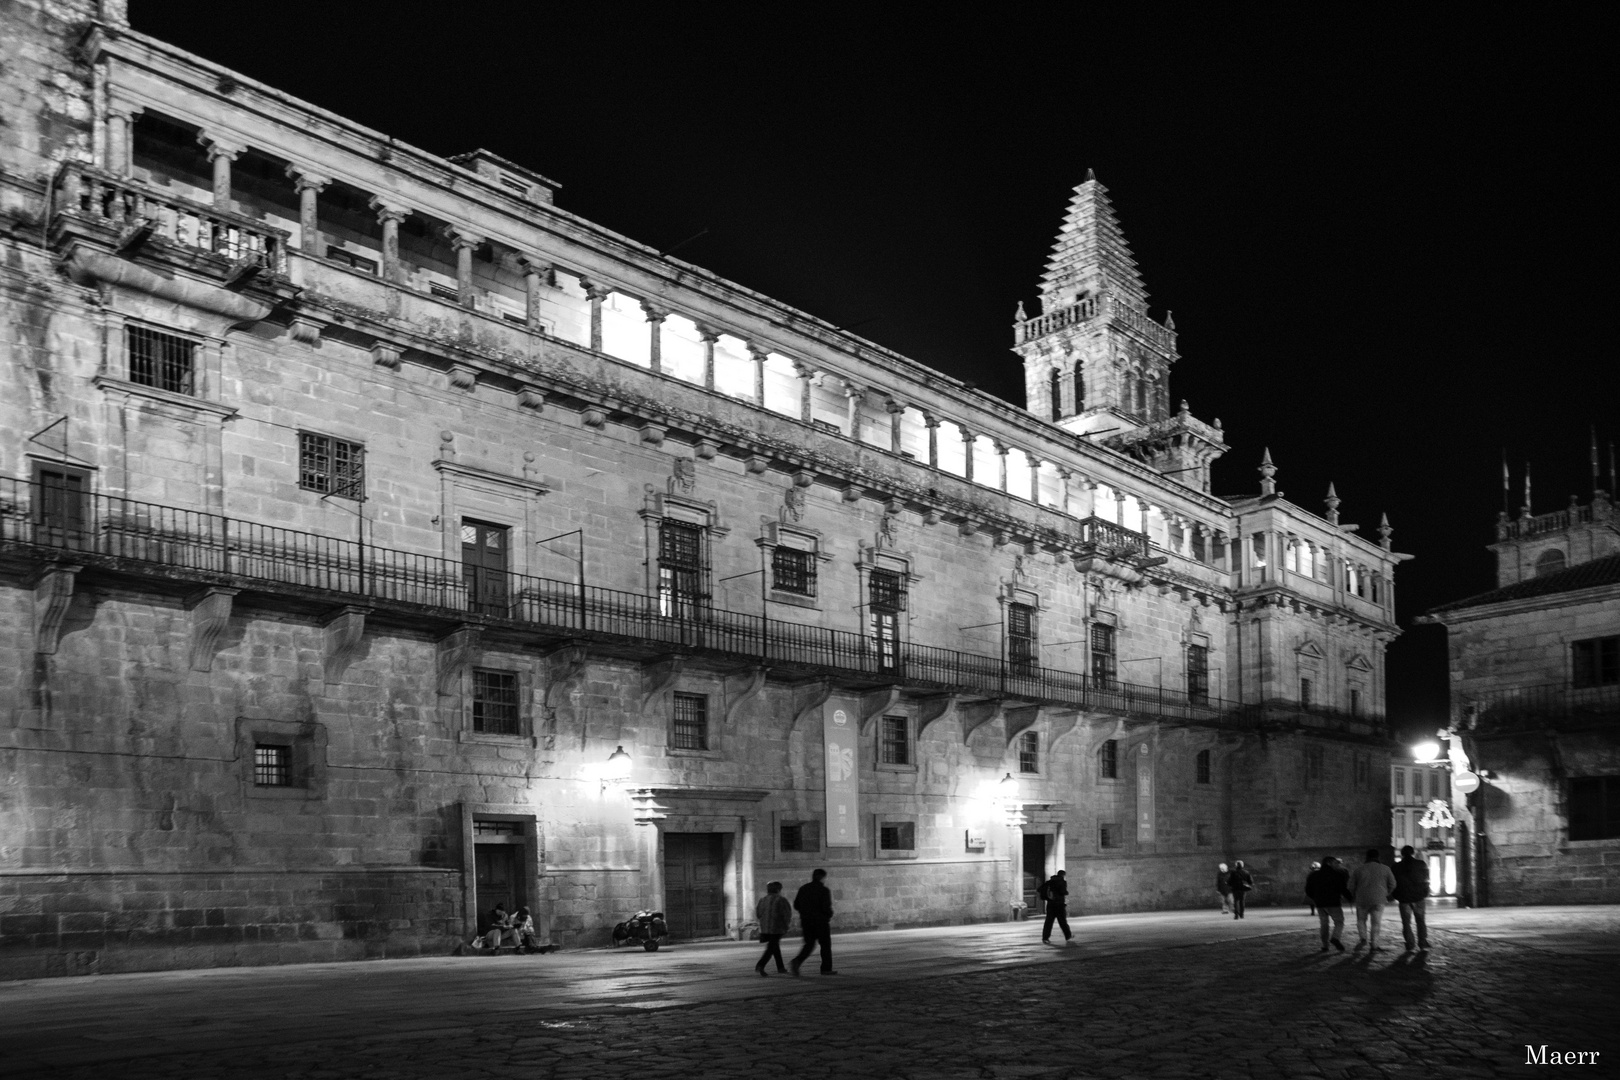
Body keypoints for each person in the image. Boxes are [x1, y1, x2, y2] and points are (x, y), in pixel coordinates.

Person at [1346, 847, 1397, 953]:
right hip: (1379, 899)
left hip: (1362, 899)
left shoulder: (1359, 869)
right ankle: (1374, 944)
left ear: (1367, 857)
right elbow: (1393, 884)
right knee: (1376, 923)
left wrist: (1354, 894)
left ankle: (1363, 938)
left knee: (1361, 920)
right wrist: (1386, 894)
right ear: (1378, 857)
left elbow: (1350, 886)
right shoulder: (1385, 868)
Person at [789, 868, 836, 976]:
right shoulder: (823, 890)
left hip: (806, 921)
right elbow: (826, 907)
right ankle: (826, 968)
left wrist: (804, 912)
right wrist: (828, 915)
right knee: (825, 945)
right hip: (820, 921)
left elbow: (796, 905)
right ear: (822, 877)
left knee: (809, 944)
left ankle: (797, 961)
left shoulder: (803, 888)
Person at [1305, 856, 1351, 952]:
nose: (1336, 864)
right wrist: (1350, 898)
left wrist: (1316, 897)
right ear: (1329, 863)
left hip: (1320, 903)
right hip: (1333, 902)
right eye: (1334, 863)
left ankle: (1325, 946)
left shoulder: (1314, 875)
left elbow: (1308, 889)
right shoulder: (1337, 874)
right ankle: (1335, 937)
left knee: (1324, 924)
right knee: (1339, 922)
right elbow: (1342, 888)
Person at [1392, 845, 1432, 952]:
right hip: (1419, 897)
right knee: (1420, 921)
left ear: (1402, 854)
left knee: (1406, 922)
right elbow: (1427, 879)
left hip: (1404, 898)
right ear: (1413, 853)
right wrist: (1425, 891)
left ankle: (1410, 944)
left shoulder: (1396, 867)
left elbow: (1393, 883)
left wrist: (1396, 895)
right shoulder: (1421, 864)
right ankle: (1422, 942)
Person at [754, 880, 793, 975]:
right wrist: (786, 925)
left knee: (775, 947)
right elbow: (786, 914)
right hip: (777, 928)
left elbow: (758, 914)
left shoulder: (762, 900)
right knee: (772, 947)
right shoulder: (781, 900)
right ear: (778, 889)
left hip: (765, 928)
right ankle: (761, 965)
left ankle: (781, 967)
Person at [1038, 869, 1072, 945]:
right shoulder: (1062, 882)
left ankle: (1045, 937)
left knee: (1048, 922)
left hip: (1050, 905)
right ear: (1063, 875)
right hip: (1059, 905)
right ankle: (1068, 935)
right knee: (1062, 921)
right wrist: (1066, 892)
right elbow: (1062, 891)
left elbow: (1039, 889)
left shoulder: (1050, 882)